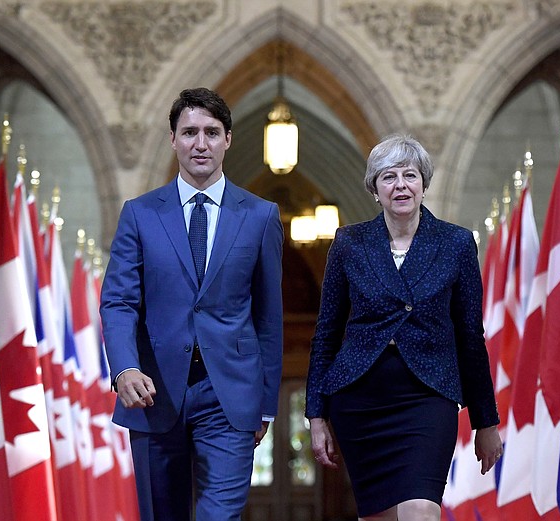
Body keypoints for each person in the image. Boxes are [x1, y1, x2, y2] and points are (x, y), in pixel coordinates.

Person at [100, 87, 284, 521]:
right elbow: (118, 301)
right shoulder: (140, 214)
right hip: (154, 391)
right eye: (189, 133)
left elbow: (269, 319)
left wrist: (266, 403)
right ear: (172, 140)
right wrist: (124, 367)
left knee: (220, 516)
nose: (200, 144)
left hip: (230, 394)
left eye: (211, 132)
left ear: (228, 140)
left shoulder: (260, 216)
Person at [306, 134, 502, 521]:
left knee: (420, 511)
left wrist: (486, 421)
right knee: (377, 516)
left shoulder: (455, 243)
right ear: (375, 190)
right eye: (389, 177)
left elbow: (470, 337)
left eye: (409, 175)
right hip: (360, 400)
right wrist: (316, 416)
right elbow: (326, 334)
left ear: (423, 185)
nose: (400, 185)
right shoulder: (349, 243)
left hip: (427, 397)